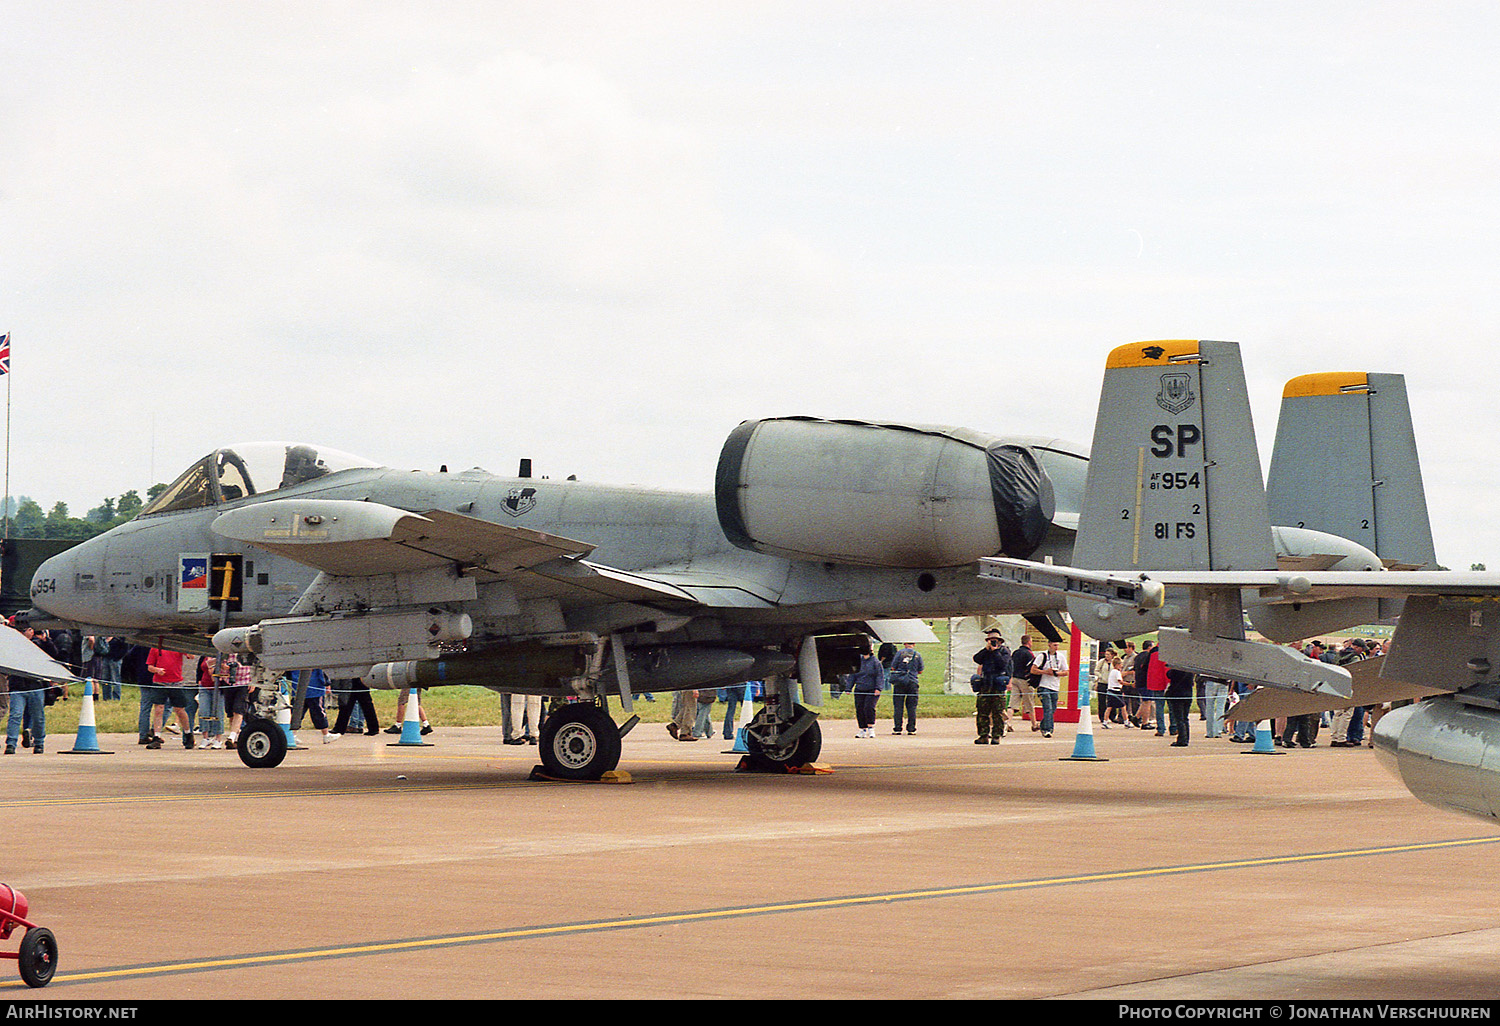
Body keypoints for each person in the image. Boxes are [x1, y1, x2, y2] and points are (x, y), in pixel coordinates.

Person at [4, 625, 64, 754]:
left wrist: (46, 640)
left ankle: (39, 743)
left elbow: (53, 654)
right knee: (15, 715)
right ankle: (11, 743)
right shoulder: (12, 644)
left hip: (36, 685)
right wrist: (23, 639)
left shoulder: (39, 645)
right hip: (18, 686)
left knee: (38, 717)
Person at [146, 646, 194, 749]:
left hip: (176, 682)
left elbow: (191, 656)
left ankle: (188, 733)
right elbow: (150, 667)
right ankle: (156, 736)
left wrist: (187, 651)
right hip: (160, 682)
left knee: (180, 710)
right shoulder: (155, 648)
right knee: (159, 709)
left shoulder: (176, 647)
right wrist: (157, 670)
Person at [971, 630, 1011, 743]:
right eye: (990, 640)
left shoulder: (1004, 651)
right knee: (982, 711)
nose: (992, 642)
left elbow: (1003, 664)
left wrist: (996, 651)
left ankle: (996, 735)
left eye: (994, 641)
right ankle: (983, 735)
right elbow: (976, 659)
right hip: (986, 684)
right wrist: (986, 650)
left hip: (997, 685)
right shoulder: (985, 652)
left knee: (998, 712)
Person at [850, 640, 885, 738]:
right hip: (860, 688)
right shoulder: (858, 661)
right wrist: (849, 687)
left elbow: (879, 676)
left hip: (871, 689)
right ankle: (862, 729)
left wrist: (878, 688)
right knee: (859, 709)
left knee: (868, 707)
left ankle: (871, 728)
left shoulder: (875, 662)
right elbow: (853, 675)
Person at [1031, 640, 1065, 738]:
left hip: (1055, 686)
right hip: (1043, 685)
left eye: (1057, 645)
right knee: (1048, 708)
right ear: (1049, 645)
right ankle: (1048, 730)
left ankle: (1042, 725)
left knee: (1053, 708)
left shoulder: (1061, 657)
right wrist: (1045, 672)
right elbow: (1033, 670)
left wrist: (1057, 673)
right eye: (1054, 645)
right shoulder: (1042, 656)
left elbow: (1066, 671)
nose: (1056, 647)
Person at [888, 641, 923, 735]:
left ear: (904, 644)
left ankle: (898, 728)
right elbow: (920, 670)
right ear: (914, 644)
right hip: (912, 682)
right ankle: (911, 728)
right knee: (912, 707)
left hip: (900, 682)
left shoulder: (899, 653)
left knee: (898, 706)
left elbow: (893, 667)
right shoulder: (917, 655)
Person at [1007, 635, 1037, 732]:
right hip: (1024, 680)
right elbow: (1032, 668)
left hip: (1014, 678)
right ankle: (1034, 724)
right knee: (1029, 703)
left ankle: (1008, 723)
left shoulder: (1015, 652)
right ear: (1028, 642)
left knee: (1012, 703)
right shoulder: (1029, 654)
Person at [1165, 663, 1195, 747]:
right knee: (1185, 718)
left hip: (1177, 694)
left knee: (1179, 718)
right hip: (1188, 694)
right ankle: (1186, 738)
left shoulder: (1176, 670)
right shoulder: (1190, 670)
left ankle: (1182, 739)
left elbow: (1169, 674)